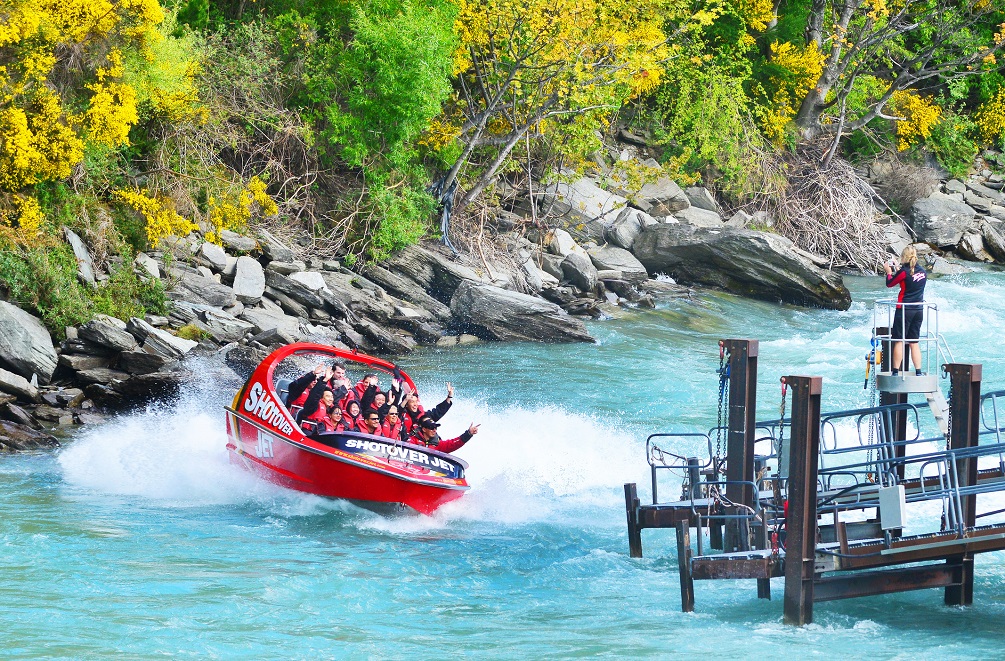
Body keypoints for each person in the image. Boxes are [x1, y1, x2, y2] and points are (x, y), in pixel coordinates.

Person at [885, 245, 928, 375]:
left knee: (899, 340)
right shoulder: (922, 272)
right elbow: (909, 279)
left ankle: (895, 371)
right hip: (918, 309)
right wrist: (898, 268)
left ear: (904, 257)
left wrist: (888, 272)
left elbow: (890, 283)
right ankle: (919, 371)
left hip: (904, 309)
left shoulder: (904, 272)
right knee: (914, 342)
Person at [407, 416, 480, 454]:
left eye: (435, 428)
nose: (434, 430)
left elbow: (454, 443)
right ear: (424, 429)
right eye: (431, 428)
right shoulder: (412, 440)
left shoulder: (438, 444)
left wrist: (468, 434)